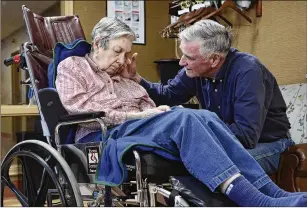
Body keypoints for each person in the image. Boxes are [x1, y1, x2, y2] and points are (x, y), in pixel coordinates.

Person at [55, 17, 307, 206]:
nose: (122, 60)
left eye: (126, 53)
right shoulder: (74, 67)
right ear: (98, 44)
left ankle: (273, 196)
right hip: (109, 131)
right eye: (117, 52)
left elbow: (150, 103)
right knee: (186, 116)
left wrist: (152, 109)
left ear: (214, 59)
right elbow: (79, 108)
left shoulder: (246, 70)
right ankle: (259, 202)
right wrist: (141, 114)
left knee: (203, 116)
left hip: (146, 129)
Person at [124, 19, 295, 175]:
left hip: (271, 145)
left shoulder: (248, 72)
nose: (182, 62)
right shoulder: (194, 71)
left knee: (216, 168)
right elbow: (167, 95)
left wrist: (196, 124)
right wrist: (135, 78)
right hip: (232, 143)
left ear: (214, 59)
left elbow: (246, 136)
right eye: (182, 54)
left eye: (189, 57)